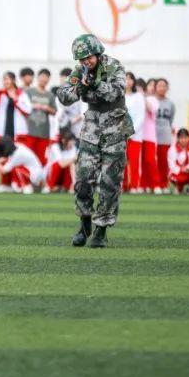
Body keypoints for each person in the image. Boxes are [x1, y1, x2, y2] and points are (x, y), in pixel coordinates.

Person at [56, 33, 134, 249]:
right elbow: (63, 96)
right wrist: (80, 87)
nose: (85, 62)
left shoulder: (114, 66)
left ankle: (101, 230)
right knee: (82, 179)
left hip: (115, 127)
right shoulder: (80, 71)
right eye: (82, 60)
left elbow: (116, 92)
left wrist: (96, 84)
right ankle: (84, 224)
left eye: (88, 58)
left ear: (97, 53)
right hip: (91, 128)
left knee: (110, 182)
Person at [26, 69, 57, 166]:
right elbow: (22, 105)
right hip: (29, 131)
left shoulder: (50, 95)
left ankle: (39, 180)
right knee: (28, 156)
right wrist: (34, 105)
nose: (44, 79)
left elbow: (54, 111)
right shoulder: (29, 92)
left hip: (43, 133)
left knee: (41, 158)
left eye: (47, 77)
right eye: (42, 76)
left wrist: (47, 108)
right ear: (38, 77)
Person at [153, 79, 175, 193]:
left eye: (164, 86)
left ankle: (163, 185)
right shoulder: (152, 101)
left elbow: (170, 120)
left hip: (165, 136)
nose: (162, 88)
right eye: (160, 85)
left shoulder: (170, 103)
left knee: (163, 163)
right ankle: (155, 184)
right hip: (153, 136)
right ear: (155, 87)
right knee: (153, 162)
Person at [166, 128, 189, 194]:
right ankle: (179, 187)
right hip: (179, 173)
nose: (183, 140)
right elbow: (171, 166)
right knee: (175, 177)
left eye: (185, 138)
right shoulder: (172, 149)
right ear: (178, 139)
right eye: (181, 138)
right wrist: (182, 169)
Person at [43, 129, 78, 194]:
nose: (72, 143)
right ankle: (50, 186)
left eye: (73, 141)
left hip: (65, 172)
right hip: (50, 173)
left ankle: (69, 186)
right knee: (58, 165)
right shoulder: (55, 147)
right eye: (70, 141)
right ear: (63, 140)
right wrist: (74, 158)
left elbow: (72, 164)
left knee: (71, 164)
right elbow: (60, 164)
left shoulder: (73, 148)